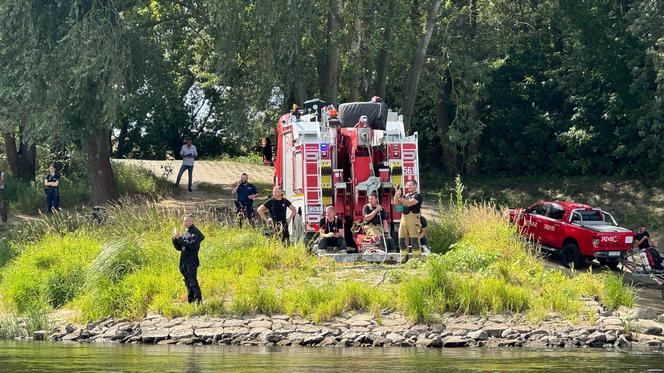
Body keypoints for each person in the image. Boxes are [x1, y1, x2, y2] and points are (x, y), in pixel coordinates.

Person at [171, 214, 205, 304]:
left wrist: (180, 238)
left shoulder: (197, 233)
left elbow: (192, 245)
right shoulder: (186, 232)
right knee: (187, 281)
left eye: (186, 221)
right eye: (184, 221)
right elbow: (179, 248)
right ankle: (191, 300)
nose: (184, 223)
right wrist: (174, 239)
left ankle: (198, 301)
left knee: (193, 281)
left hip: (191, 261)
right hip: (184, 261)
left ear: (192, 221)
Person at [393, 180, 423, 263]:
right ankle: (403, 260)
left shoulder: (418, 196)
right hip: (404, 218)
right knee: (401, 239)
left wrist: (400, 198)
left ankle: (417, 261)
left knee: (414, 240)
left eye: (410, 185)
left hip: (413, 218)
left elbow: (409, 203)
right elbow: (396, 205)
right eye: (407, 185)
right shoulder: (406, 195)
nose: (408, 187)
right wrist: (396, 193)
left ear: (415, 186)